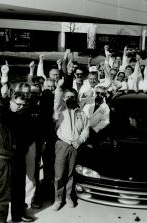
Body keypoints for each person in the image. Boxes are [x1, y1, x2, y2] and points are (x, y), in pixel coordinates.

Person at [0, 64, 35, 223]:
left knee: (18, 190)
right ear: (11, 101)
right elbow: (2, 102)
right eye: (18, 104)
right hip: (3, 160)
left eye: (23, 105)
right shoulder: (3, 115)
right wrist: (2, 81)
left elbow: (28, 133)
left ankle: (18, 216)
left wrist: (24, 146)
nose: (21, 107)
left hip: (18, 158)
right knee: (3, 194)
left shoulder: (19, 115)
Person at [52, 78, 89, 211]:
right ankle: (58, 199)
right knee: (59, 174)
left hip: (75, 147)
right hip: (62, 145)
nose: (69, 99)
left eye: (72, 97)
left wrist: (79, 140)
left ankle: (68, 197)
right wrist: (59, 87)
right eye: (67, 97)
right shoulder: (58, 112)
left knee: (70, 174)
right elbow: (56, 100)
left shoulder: (82, 114)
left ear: (76, 98)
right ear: (63, 98)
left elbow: (86, 130)